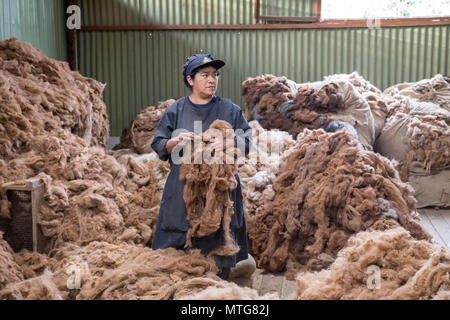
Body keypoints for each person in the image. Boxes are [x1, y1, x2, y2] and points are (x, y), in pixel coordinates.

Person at [151, 54, 252, 280]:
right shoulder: (176, 110)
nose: (212, 80)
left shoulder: (230, 109)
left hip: (220, 190)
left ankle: (219, 286)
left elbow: (247, 140)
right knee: (180, 243)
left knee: (219, 242)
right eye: (204, 75)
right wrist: (174, 142)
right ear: (190, 80)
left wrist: (228, 142)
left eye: (215, 75)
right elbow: (158, 143)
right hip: (183, 190)